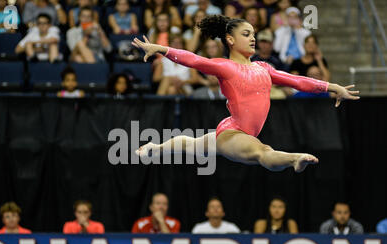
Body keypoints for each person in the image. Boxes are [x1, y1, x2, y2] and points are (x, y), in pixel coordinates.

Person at [132, 15, 359, 173]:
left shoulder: (265, 68)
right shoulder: (226, 67)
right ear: (230, 39)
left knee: (191, 145)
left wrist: (331, 86)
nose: (253, 38)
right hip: (234, 133)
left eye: (253, 34)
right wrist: (162, 49)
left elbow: (297, 81)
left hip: (233, 128)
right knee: (263, 152)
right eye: (246, 34)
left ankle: (155, 149)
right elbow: (194, 59)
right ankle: (294, 159)